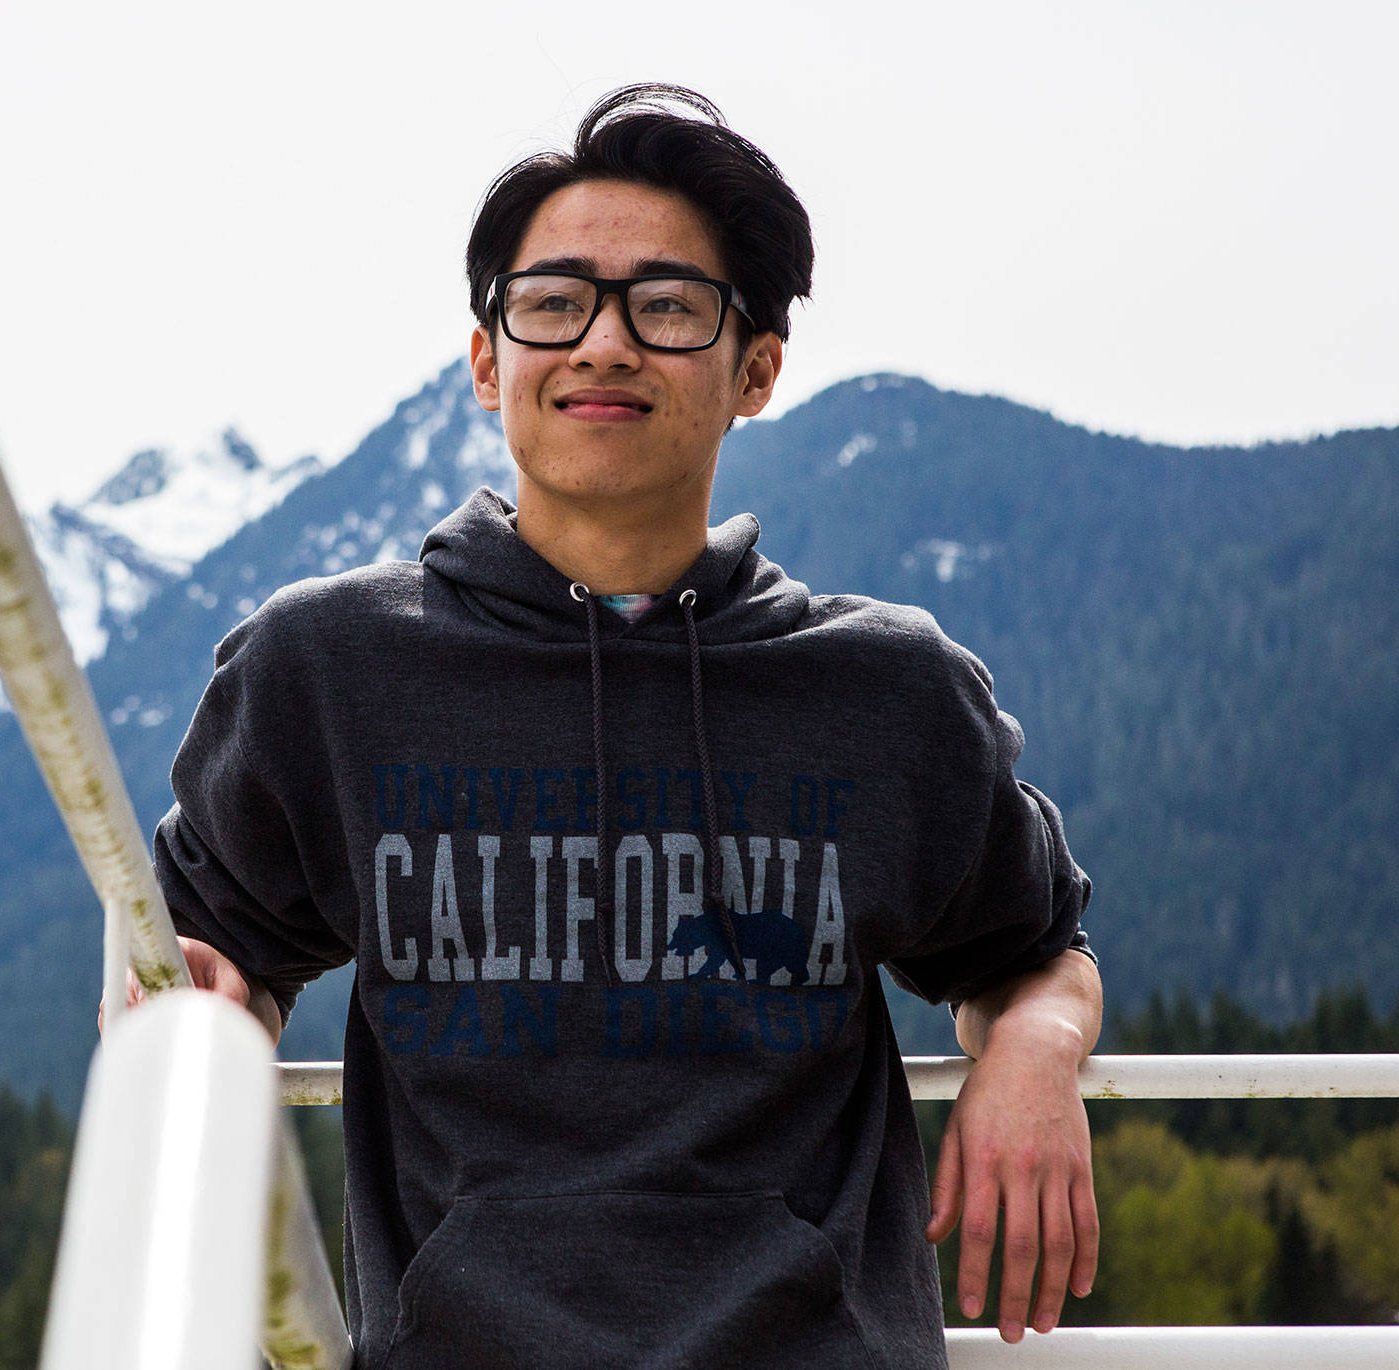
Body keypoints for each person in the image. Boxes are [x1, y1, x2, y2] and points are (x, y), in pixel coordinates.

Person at [121, 83, 1103, 1369]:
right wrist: (201, 1012)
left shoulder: (883, 692)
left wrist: (1034, 1040)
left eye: (666, 305)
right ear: (487, 360)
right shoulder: (330, 667)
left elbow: (1033, 947)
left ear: (754, 368)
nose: (601, 343)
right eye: (552, 301)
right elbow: (204, 954)